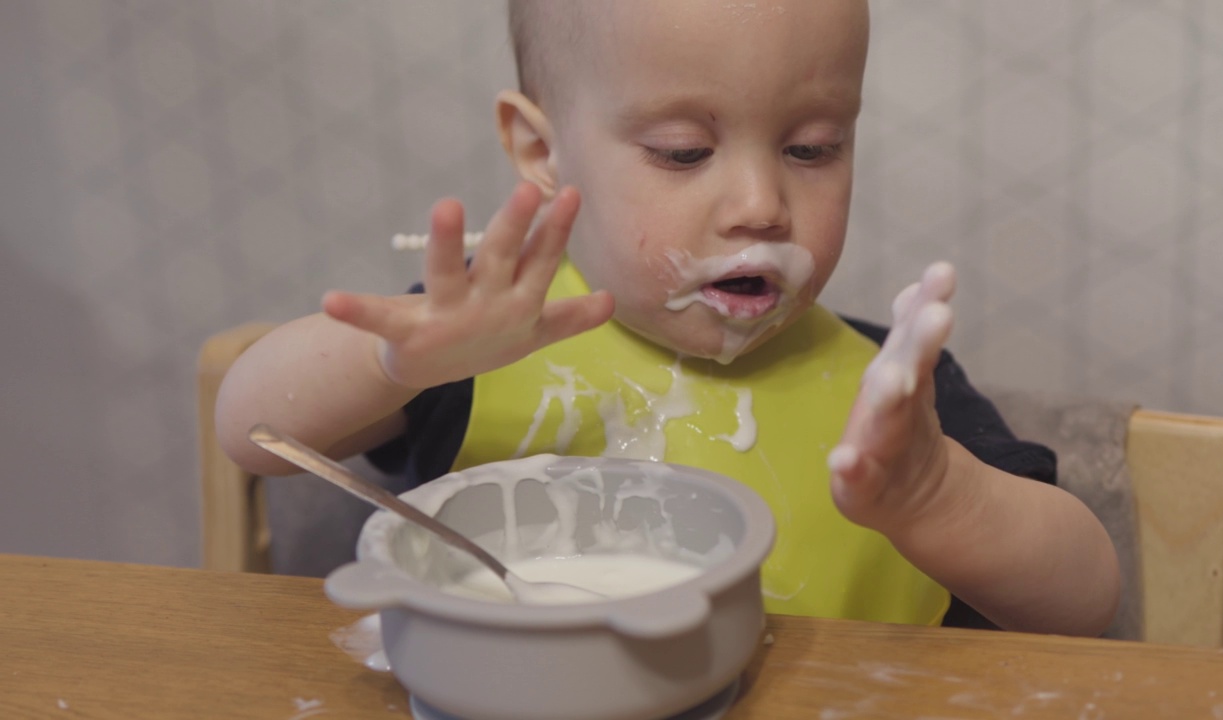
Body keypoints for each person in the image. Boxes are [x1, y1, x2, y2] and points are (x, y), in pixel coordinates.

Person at [217, 0, 1120, 635]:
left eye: (813, 148)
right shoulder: (479, 346)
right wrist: (392, 364)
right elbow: (250, 430)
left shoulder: (885, 398)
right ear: (542, 149)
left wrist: (938, 496)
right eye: (683, 153)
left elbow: (1084, 602)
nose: (761, 203)